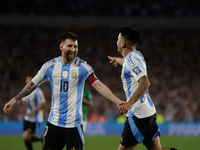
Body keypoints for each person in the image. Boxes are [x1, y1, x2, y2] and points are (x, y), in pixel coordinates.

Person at [3, 31, 125, 150]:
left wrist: (117, 101)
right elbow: (32, 85)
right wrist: (15, 98)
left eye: (75, 46)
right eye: (70, 46)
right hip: (53, 124)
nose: (73, 49)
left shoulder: (83, 67)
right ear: (61, 46)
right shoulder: (49, 67)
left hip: (74, 126)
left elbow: (98, 85)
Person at [108, 26, 177, 150]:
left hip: (138, 114)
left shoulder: (131, 60)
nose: (117, 41)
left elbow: (145, 83)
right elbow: (129, 64)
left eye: (118, 39)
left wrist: (129, 104)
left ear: (122, 43)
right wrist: (117, 60)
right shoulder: (136, 55)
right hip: (148, 112)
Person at [18, 76, 46, 150]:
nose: (27, 81)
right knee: (26, 138)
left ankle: (41, 139)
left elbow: (43, 104)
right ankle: (40, 139)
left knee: (26, 136)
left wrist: (32, 112)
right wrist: (20, 103)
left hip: (35, 117)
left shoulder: (38, 91)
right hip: (27, 117)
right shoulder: (25, 91)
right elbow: (24, 104)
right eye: (26, 80)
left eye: (29, 80)